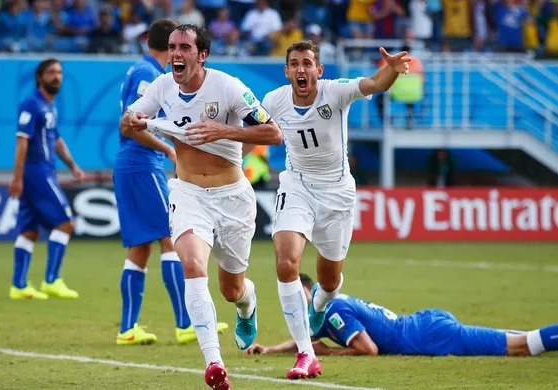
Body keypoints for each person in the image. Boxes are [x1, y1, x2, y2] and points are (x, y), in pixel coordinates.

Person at [120, 24, 282, 390]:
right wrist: (135, 122)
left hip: (233, 198)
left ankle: (247, 304)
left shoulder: (228, 87)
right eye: (173, 47)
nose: (176, 53)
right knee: (192, 265)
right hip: (188, 194)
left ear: (202, 54)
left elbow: (274, 133)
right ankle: (214, 363)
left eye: (185, 48)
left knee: (231, 289)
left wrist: (223, 131)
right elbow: (127, 124)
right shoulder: (162, 86)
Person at [261, 40, 410, 380]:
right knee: (286, 263)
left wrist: (392, 71)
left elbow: (374, 84)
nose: (301, 69)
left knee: (328, 281)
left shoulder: (336, 92)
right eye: (295, 64)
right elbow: (254, 127)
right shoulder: (274, 101)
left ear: (319, 70)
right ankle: (305, 353)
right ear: (287, 72)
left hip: (337, 195)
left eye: (307, 63)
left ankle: (318, 306)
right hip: (296, 186)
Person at [114, 18, 228, 347]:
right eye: (177, 46)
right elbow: (135, 125)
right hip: (142, 163)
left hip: (132, 165)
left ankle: (127, 328)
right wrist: (170, 149)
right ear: (169, 47)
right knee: (172, 236)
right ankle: (186, 323)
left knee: (140, 247)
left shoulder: (140, 69)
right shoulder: (152, 75)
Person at [246, 273, 558, 357]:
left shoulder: (333, 310)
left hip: (428, 336)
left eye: (298, 294)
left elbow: (369, 350)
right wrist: (272, 350)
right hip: (425, 323)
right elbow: (306, 337)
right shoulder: (325, 311)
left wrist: (330, 353)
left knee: (522, 346)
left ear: (308, 290)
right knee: (510, 338)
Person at [8, 58, 84, 300]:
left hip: (41, 171)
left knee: (29, 230)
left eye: (60, 72)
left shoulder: (49, 106)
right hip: (37, 172)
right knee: (66, 224)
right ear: (40, 77)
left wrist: (73, 165)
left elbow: (57, 140)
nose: (57, 76)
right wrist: (17, 178)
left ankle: (18, 286)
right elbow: (22, 143)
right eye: (51, 72)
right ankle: (51, 280)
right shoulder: (31, 105)